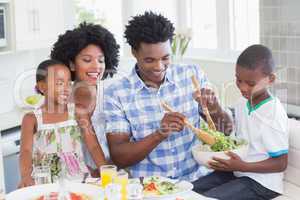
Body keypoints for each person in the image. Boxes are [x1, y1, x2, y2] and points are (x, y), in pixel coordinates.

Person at [104, 11, 232, 181]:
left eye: (165, 58)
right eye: (149, 60)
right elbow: (119, 157)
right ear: (134, 53)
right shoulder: (117, 94)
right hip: (154, 188)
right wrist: (159, 134)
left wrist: (215, 108)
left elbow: (227, 131)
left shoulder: (191, 74)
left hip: (200, 179)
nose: (159, 66)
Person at [193, 44, 288, 200]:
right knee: (192, 190)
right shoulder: (243, 102)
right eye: (238, 80)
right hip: (239, 172)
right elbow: (228, 130)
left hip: (262, 183)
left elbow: (280, 163)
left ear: (270, 79)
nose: (242, 87)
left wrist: (242, 166)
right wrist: (212, 107)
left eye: (251, 84)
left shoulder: (273, 113)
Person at [50, 22, 120, 176]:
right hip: (75, 177)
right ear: (71, 65)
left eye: (101, 60)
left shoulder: (112, 96)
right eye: (87, 60)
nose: (96, 67)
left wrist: (108, 174)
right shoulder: (61, 101)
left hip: (110, 173)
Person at [19, 59, 89, 187]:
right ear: (42, 87)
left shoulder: (78, 112)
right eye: (59, 83)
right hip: (44, 184)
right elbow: (25, 151)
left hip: (78, 182)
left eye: (69, 83)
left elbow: (93, 146)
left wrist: (105, 170)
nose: (67, 88)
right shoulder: (31, 118)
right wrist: (25, 176)